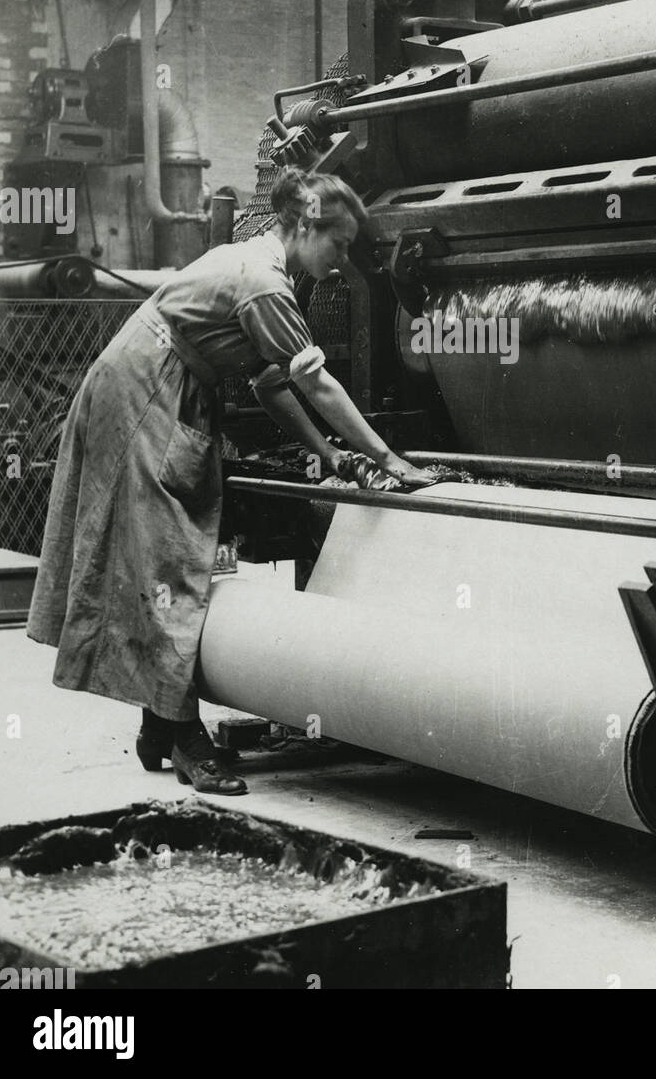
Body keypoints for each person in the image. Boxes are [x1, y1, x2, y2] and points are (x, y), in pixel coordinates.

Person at [27, 168, 435, 795]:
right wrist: (388, 458)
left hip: (158, 380)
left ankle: (161, 724)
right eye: (339, 244)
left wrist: (326, 451)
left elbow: (273, 385)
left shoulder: (267, 273)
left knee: (153, 560)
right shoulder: (264, 282)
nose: (343, 260)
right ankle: (188, 740)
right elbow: (315, 383)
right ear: (303, 226)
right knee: (166, 563)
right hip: (146, 388)